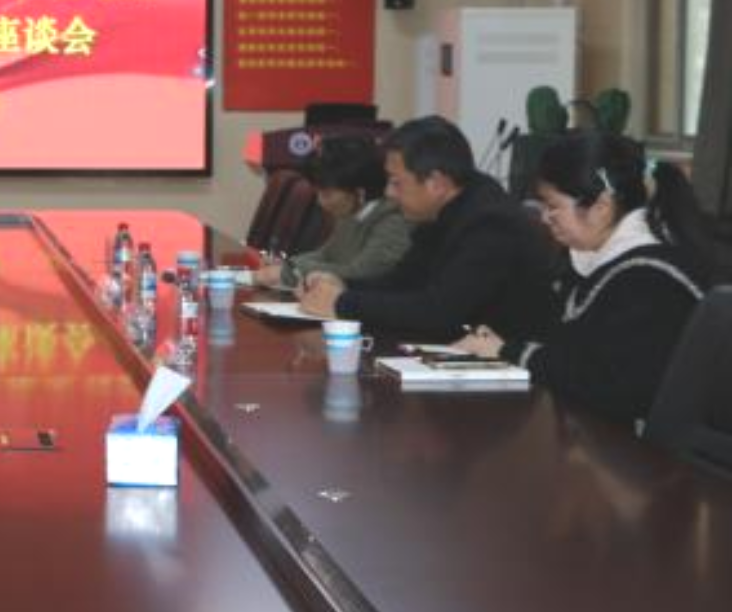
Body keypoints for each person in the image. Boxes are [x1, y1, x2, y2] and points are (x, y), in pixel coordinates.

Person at [453, 132, 712, 423]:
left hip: (642, 447)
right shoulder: (598, 261)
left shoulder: (650, 281)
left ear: (601, 208)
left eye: (553, 206)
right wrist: (502, 346)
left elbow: (607, 385)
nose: (544, 218)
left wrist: (507, 351)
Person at [298, 115, 557, 340]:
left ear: (436, 183)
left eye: (396, 182)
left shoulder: (491, 225)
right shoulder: (444, 210)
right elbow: (402, 282)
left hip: (506, 371)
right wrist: (343, 285)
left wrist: (342, 303)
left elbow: (438, 312)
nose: (389, 193)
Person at [255, 136, 411, 290]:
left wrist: (289, 272)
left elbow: (360, 274)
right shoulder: (351, 212)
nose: (319, 201)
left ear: (359, 193)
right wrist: (288, 264)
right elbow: (326, 254)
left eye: (327, 194)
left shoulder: (393, 222)